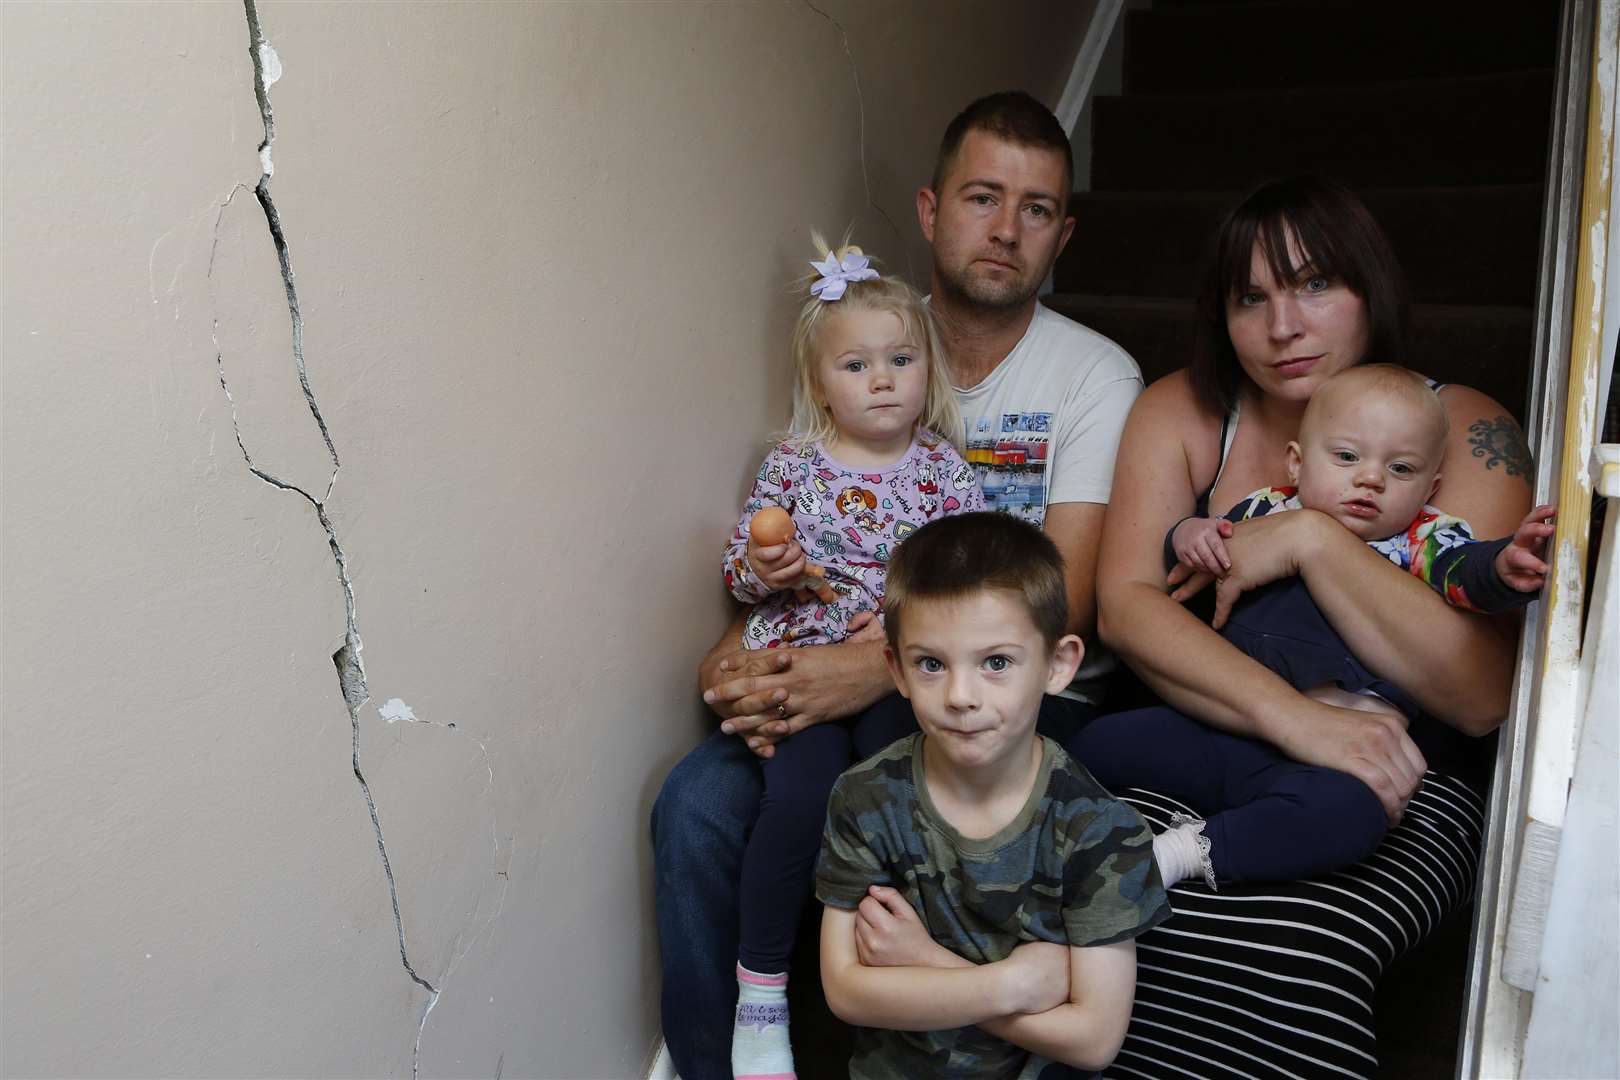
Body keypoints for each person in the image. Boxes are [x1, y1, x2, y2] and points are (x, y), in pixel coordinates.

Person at [654, 90, 1142, 1079]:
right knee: (694, 808)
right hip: (835, 662)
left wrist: (872, 670)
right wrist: (740, 656)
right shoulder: (852, 349)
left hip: (977, 686)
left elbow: (1070, 604)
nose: (1005, 230)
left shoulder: (1093, 377)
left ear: (1064, 235)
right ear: (929, 210)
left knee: (916, 790)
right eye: (981, 197)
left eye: (1036, 209)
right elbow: (781, 543)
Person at [1081, 175, 1534, 1075]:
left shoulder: (1462, 426)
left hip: (1392, 771)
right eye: (1252, 296)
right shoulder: (1182, 410)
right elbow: (1125, 608)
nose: (1283, 325)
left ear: (1373, 290)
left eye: (1316, 284)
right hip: (1214, 729)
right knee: (1084, 887)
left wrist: (1308, 537)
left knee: (1288, 956)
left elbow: (1481, 695)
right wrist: (1293, 718)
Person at [1086, 364, 1553, 888]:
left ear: (1430, 486)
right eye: (1347, 458)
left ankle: (1188, 852)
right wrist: (1189, 533)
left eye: (1401, 470)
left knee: (1351, 814)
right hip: (1227, 725)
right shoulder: (1266, 508)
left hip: (1336, 755)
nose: (1370, 479)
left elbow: (1468, 575)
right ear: (1298, 462)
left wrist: (1503, 569)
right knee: (1099, 744)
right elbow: (1197, 552)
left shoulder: (1422, 539)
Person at [720, 236, 985, 1079]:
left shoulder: (944, 471)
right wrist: (765, 565)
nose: (882, 379)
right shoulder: (793, 467)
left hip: (899, 669)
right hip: (803, 659)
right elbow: (739, 569)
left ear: (926, 371)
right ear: (820, 383)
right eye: (858, 364)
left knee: (901, 789)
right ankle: (761, 993)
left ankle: (904, 959)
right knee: (799, 799)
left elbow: (972, 580)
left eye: (901, 359)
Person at [816, 512, 1169, 1079]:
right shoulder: (865, 798)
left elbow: (1095, 1039)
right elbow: (846, 991)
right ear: (896, 670)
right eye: (930, 664)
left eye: (996, 662)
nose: (960, 696)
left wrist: (926, 962)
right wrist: (1012, 984)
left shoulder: (1101, 831)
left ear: (1059, 665)